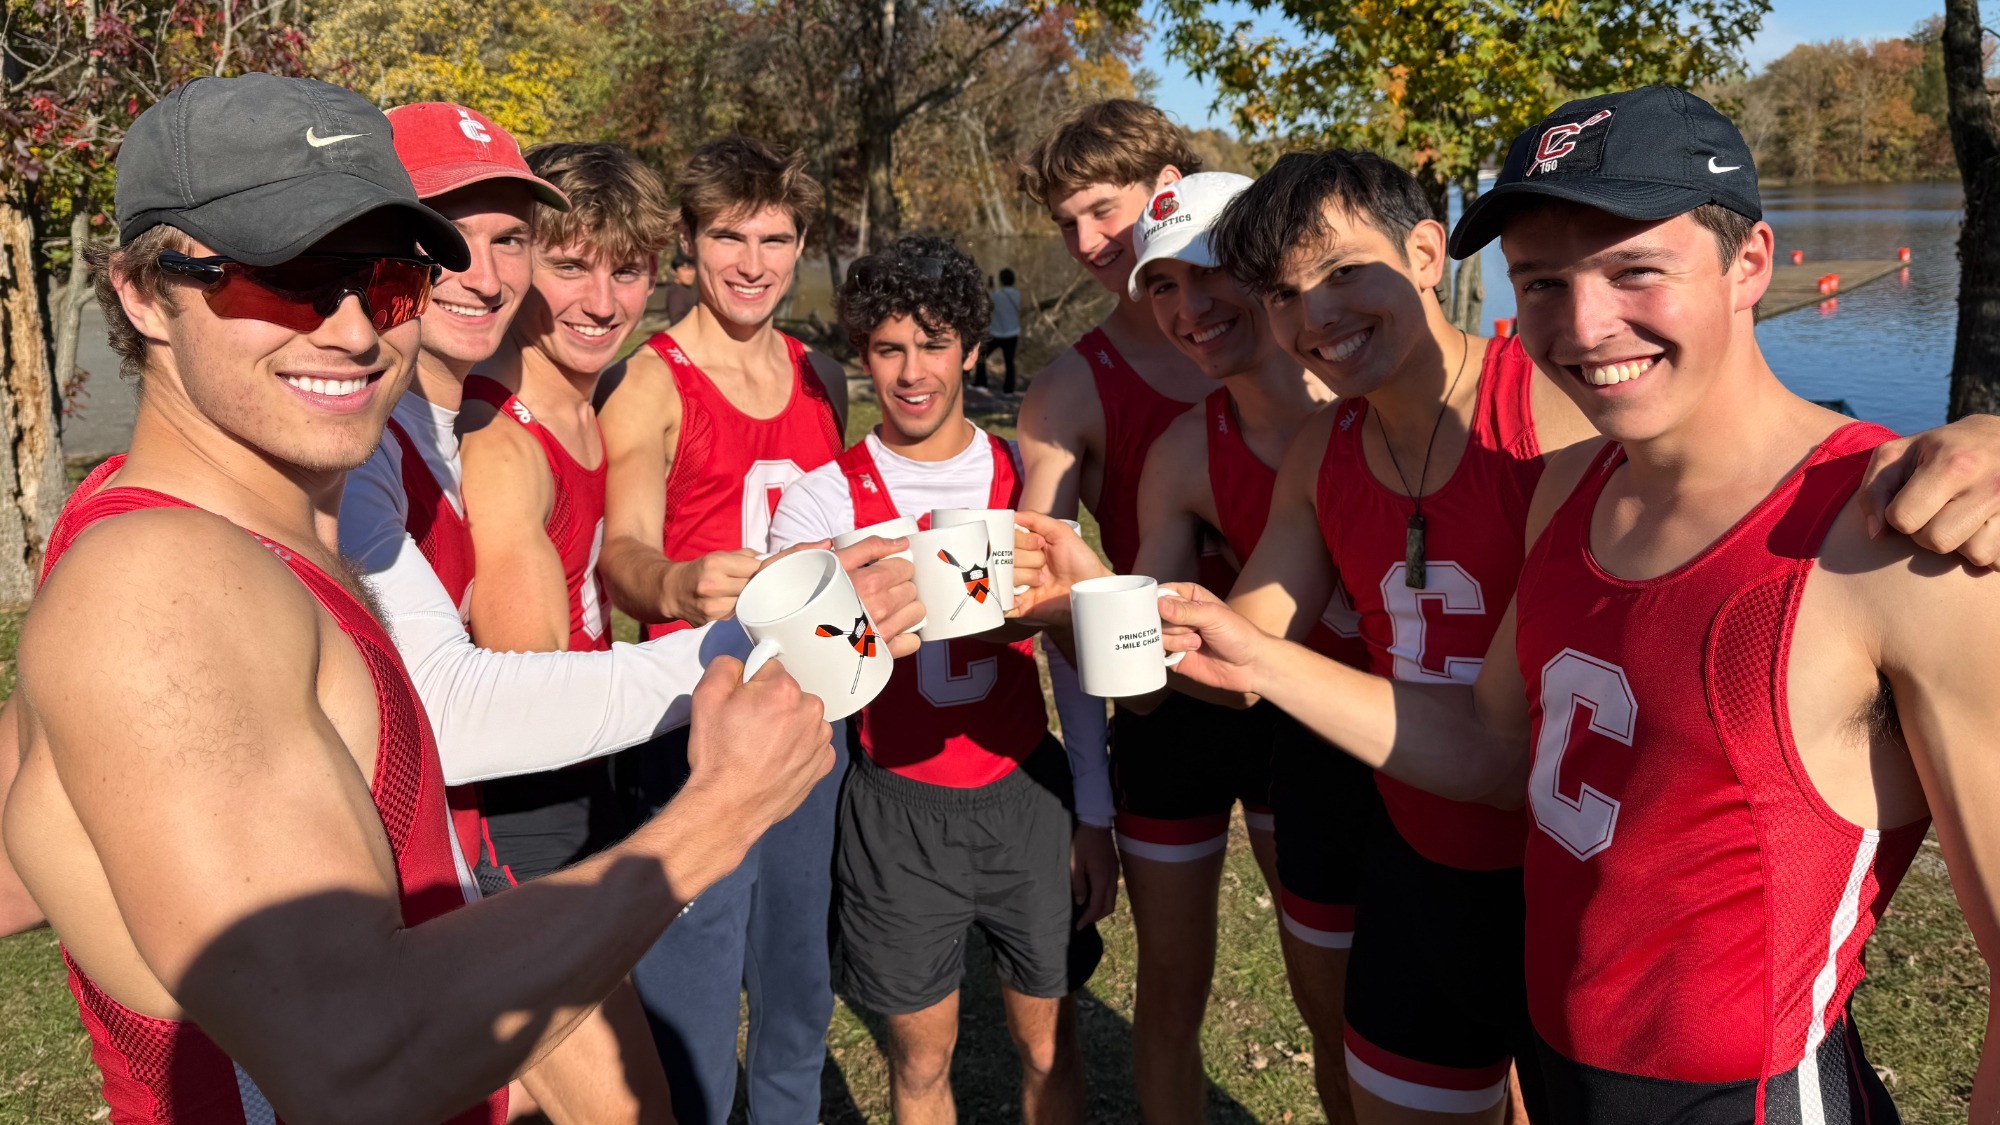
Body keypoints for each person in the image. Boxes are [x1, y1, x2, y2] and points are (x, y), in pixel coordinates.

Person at [1043, 85, 2000, 1125]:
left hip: (1734, 1081)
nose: (1586, 325)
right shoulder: (1571, 486)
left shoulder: (1890, 537)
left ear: (1750, 263)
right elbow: (1490, 754)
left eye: (1635, 268)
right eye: (1540, 281)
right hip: (1524, 976)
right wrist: (1155, 622)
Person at [4, 73, 835, 1123]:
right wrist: (720, 814)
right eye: (287, 280)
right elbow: (349, 1064)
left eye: (388, 280)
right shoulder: (161, 589)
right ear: (139, 292)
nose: (353, 331)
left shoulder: (238, 542)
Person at [768, 235, 1107, 1124]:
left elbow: (1073, 658)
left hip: (1022, 788)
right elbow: (793, 673)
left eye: (932, 342)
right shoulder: (821, 499)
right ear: (863, 356)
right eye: (888, 348)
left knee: (1048, 1044)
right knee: (922, 1063)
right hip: (898, 807)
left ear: (968, 342)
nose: (912, 371)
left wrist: (1096, 813)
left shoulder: (1023, 479)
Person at [594, 134, 852, 1125]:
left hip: (810, 715)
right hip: (688, 723)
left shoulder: (819, 374)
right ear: (690, 245)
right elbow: (620, 552)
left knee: (795, 991)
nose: (753, 262)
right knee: (692, 1003)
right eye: (729, 236)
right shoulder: (651, 381)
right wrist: (675, 579)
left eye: (776, 237)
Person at [1012, 98, 1260, 1125]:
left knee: (1360, 994)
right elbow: (1031, 584)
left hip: (1309, 695)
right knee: (1170, 996)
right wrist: (1110, 652)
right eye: (1064, 223)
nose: (1084, 244)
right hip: (1167, 718)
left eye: (1102, 212)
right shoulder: (1072, 386)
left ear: (1169, 188)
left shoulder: (1282, 332)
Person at [1123, 170, 1374, 1124]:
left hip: (1442, 755)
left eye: (1210, 271)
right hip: (1308, 753)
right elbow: (1146, 683)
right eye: (1163, 286)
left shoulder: (1391, 403)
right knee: (1339, 1030)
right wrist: (1085, 607)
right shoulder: (1187, 453)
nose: (1189, 308)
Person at [979, 267, 1022, 393]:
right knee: (1009, 362)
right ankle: (1009, 389)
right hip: (1013, 333)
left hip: (997, 333)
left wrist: (990, 287)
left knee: (981, 356)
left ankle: (981, 383)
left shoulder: (996, 295)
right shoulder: (1016, 295)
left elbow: (988, 305)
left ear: (1001, 280)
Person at [663, 254, 699, 323]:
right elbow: (676, 321)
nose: (689, 273)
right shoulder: (676, 293)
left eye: (692, 269)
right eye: (685, 269)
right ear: (674, 271)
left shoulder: (685, 290)